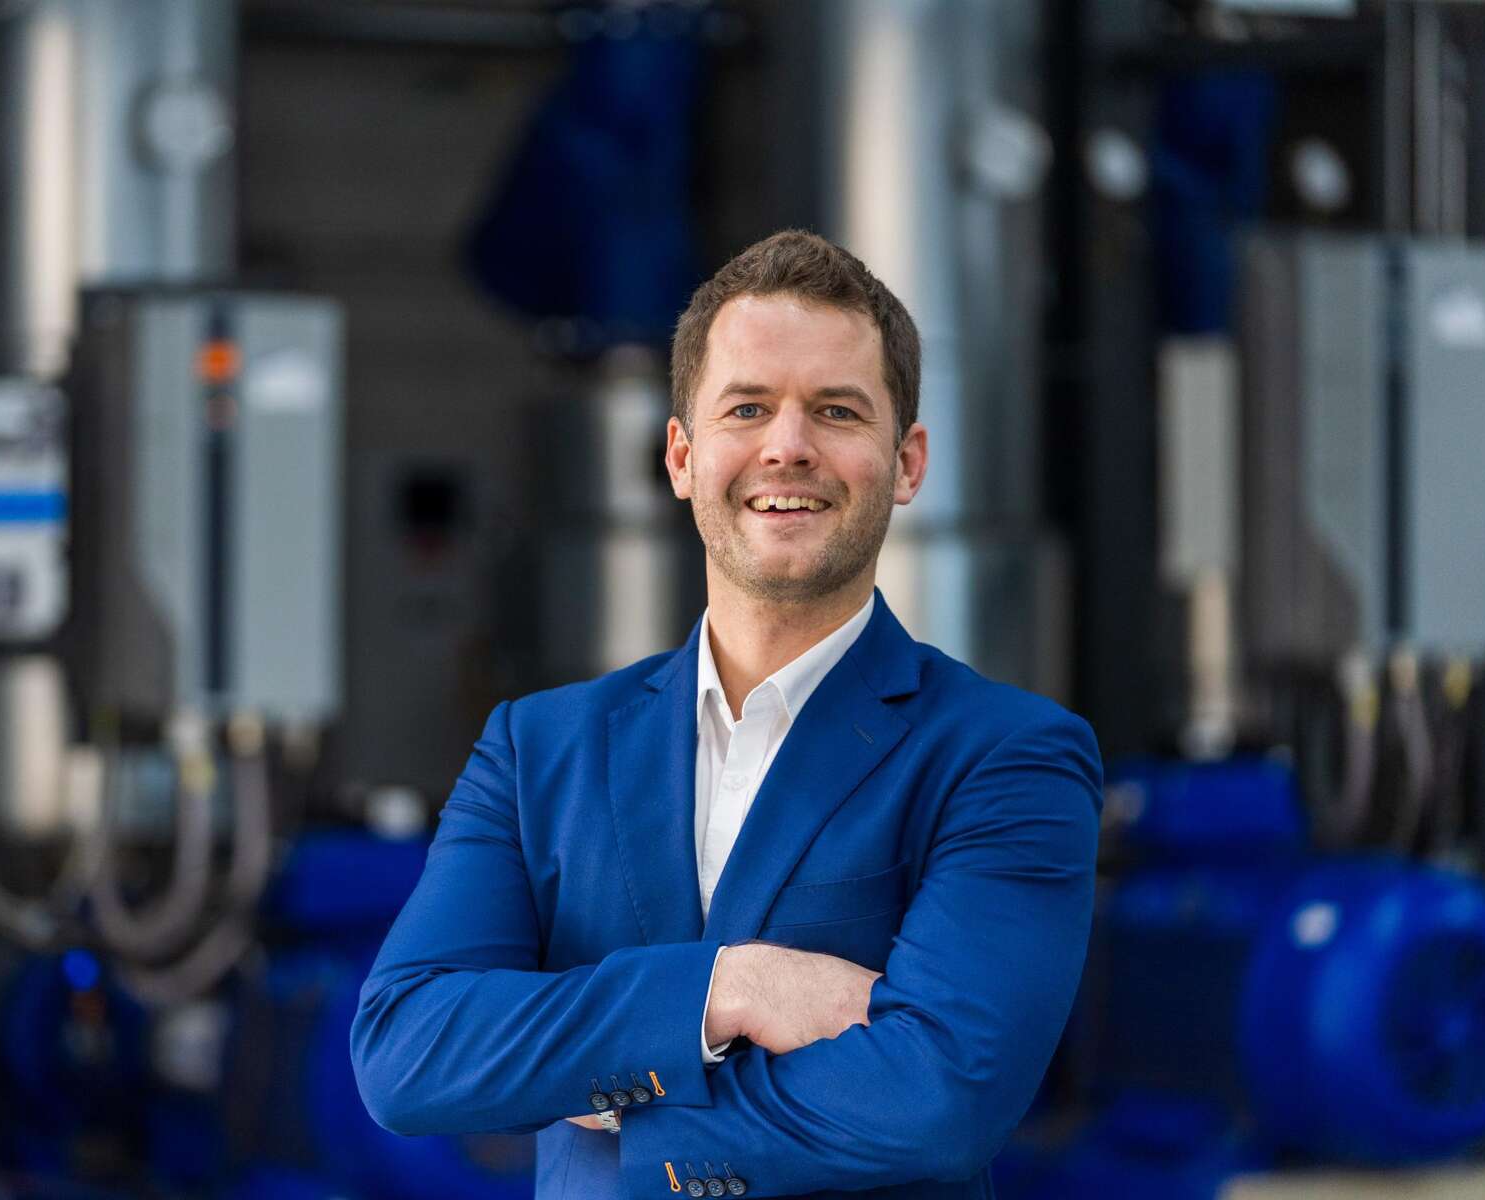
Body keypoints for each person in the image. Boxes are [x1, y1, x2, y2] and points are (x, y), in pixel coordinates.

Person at [351, 230, 1102, 1199]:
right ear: (680, 456)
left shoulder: (1006, 757)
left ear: (907, 462)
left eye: (835, 411)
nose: (786, 446)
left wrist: (616, 1102)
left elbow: (938, 1099)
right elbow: (407, 1053)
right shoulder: (538, 749)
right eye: (747, 408)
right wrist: (725, 993)